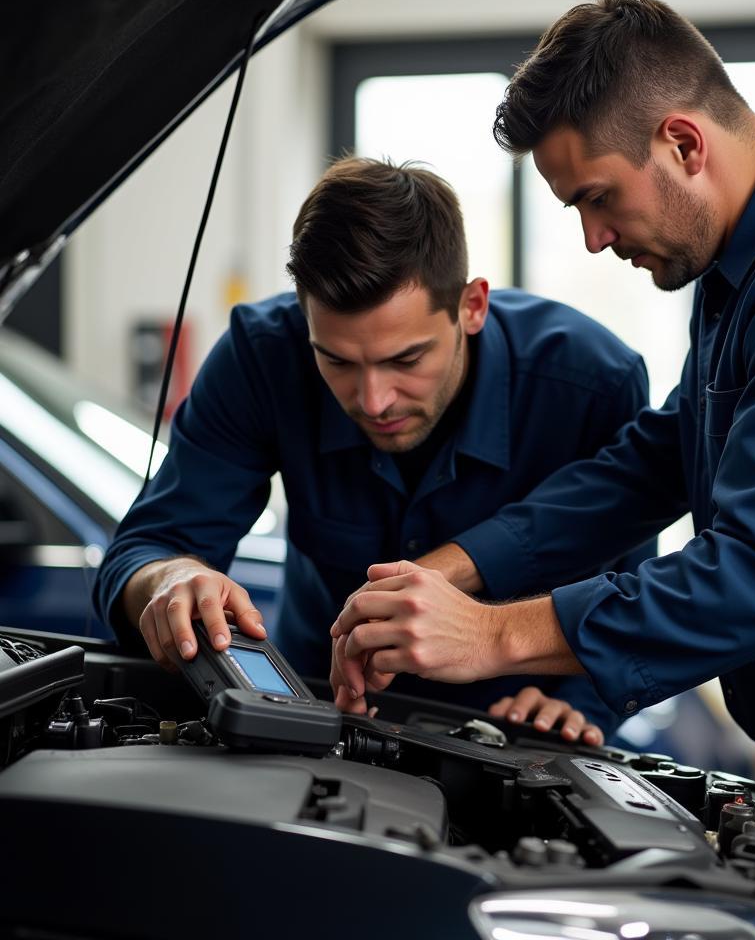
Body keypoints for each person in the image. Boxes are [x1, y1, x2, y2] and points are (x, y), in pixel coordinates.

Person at [331, 0, 755, 938]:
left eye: (597, 198)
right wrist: (453, 568)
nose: (592, 238)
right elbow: (657, 461)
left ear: (683, 144)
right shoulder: (754, 262)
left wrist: (489, 636)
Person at [94, 155, 657, 745]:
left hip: (515, 736)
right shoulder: (261, 358)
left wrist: (580, 700)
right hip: (313, 711)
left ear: (472, 306)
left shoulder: (592, 384)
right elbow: (147, 549)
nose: (373, 399)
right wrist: (169, 578)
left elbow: (633, 584)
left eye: (405, 359)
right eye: (336, 360)